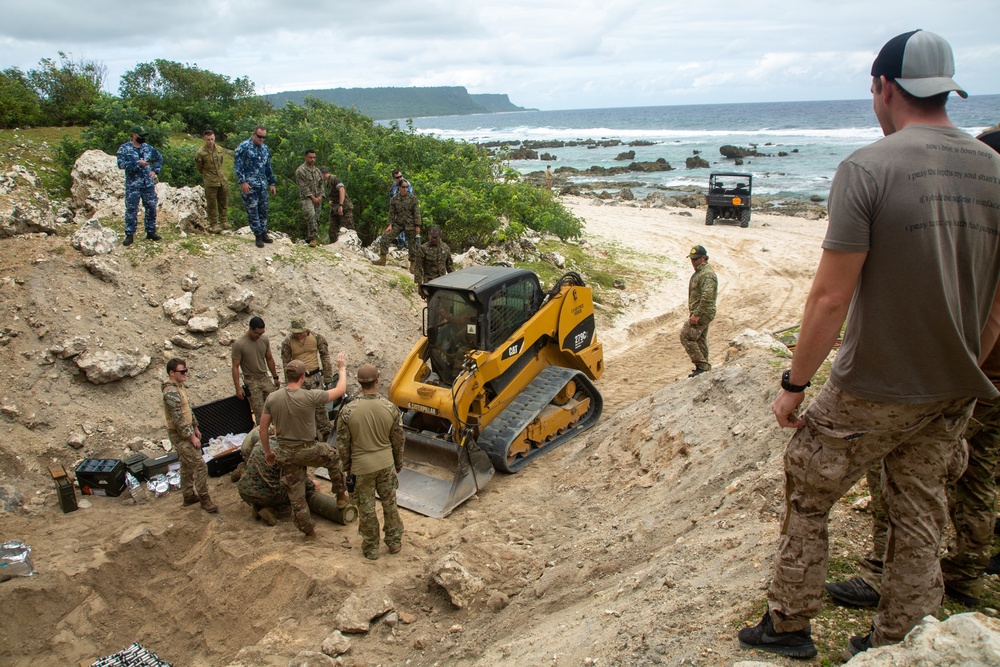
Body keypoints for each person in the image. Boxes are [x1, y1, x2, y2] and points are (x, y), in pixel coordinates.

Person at [738, 30, 1000, 660]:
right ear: (947, 90)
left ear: (884, 87)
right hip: (954, 386)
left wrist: (794, 385)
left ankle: (790, 623)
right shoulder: (995, 168)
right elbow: (997, 306)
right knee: (920, 508)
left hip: (874, 385)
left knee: (808, 489)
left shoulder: (867, 167)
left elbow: (830, 298)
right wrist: (970, 357)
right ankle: (902, 639)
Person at [826, 124, 1000, 611]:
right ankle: (964, 574)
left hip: (956, 377)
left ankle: (889, 576)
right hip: (974, 376)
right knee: (976, 478)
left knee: (908, 482)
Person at [259, 356, 350, 539]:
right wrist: (341, 367)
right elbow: (340, 390)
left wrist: (268, 452)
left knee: (296, 494)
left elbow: (262, 429)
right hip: (308, 450)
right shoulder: (309, 396)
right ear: (302, 376)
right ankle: (340, 495)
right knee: (333, 457)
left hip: (285, 453)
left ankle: (308, 531)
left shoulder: (272, 398)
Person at [337, 364, 405, 560]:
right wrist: (398, 462)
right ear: (377, 381)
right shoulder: (390, 408)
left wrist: (347, 468)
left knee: (366, 509)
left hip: (361, 467)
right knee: (390, 504)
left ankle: (371, 548)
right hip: (386, 464)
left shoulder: (348, 411)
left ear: (359, 383)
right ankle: (394, 542)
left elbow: (343, 444)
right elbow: (398, 440)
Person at [162, 358, 217, 513]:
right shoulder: (171, 392)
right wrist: (191, 436)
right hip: (180, 435)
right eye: (182, 371)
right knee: (200, 465)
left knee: (186, 465)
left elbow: (188, 410)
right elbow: (178, 418)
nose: (185, 374)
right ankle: (204, 499)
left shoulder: (178, 387)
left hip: (186, 432)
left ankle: (188, 495)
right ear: (172, 373)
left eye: (186, 371)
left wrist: (195, 426)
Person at [279, 317, 336, 441]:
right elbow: (286, 365)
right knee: (302, 409)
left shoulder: (316, 338)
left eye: (300, 332)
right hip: (299, 380)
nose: (298, 335)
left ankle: (326, 437)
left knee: (321, 409)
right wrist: (289, 384)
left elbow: (325, 358)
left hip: (315, 378)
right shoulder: (288, 342)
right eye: (296, 332)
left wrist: (328, 379)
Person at [115, 125, 163, 247]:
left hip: (147, 183)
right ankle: (130, 234)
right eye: (140, 135)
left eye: (144, 136)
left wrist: (155, 171)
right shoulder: (125, 148)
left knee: (151, 207)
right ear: (134, 135)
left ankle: (150, 231)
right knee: (131, 209)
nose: (142, 138)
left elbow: (159, 158)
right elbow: (120, 164)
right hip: (133, 185)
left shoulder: (148, 148)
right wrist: (137, 163)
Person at [234, 125, 277, 248]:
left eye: (264, 137)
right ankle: (257, 234)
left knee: (263, 209)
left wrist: (272, 183)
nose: (261, 139)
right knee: (253, 210)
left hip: (262, 184)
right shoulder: (244, 147)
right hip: (249, 185)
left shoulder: (265, 148)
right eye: (259, 137)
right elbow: (238, 166)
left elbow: (268, 167)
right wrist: (242, 182)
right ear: (254, 134)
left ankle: (263, 232)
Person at [231, 316, 280, 424]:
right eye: (257, 333)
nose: (259, 336)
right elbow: (235, 367)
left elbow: (269, 358)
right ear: (251, 329)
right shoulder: (239, 344)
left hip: (265, 377)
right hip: (252, 381)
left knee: (275, 407)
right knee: (260, 413)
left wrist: (275, 377)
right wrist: (238, 387)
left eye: (261, 333)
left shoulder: (264, 340)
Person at [680, 245, 717, 378]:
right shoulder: (701, 272)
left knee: (686, 335)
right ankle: (703, 368)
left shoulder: (707, 275)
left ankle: (702, 366)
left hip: (703, 313)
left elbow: (707, 297)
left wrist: (697, 314)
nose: (693, 262)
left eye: (695, 260)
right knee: (700, 339)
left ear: (703, 258)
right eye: (692, 259)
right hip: (701, 311)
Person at [374, 179, 421, 267]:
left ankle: (413, 264)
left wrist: (417, 225)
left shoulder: (412, 198)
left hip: (410, 223)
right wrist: (389, 224)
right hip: (398, 223)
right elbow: (391, 213)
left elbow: (416, 212)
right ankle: (382, 259)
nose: (405, 189)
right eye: (403, 187)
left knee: (413, 244)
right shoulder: (395, 199)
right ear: (399, 187)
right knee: (385, 237)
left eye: (406, 187)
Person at [194, 128, 228, 233]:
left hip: (221, 179)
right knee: (212, 203)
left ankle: (224, 221)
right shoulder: (200, 153)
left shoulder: (219, 149)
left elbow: (220, 162)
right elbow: (199, 167)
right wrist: (207, 175)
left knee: (223, 201)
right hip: (210, 181)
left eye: (212, 139)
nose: (211, 141)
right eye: (208, 139)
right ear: (204, 139)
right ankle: (214, 224)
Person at [295, 149, 324, 246]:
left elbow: (321, 184)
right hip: (307, 198)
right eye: (310, 157)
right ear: (305, 157)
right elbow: (303, 187)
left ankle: (312, 236)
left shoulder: (317, 171)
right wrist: (313, 197)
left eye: (314, 157)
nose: (312, 159)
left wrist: (320, 196)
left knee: (316, 218)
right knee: (310, 215)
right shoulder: (300, 170)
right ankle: (313, 238)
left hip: (317, 197)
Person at [322, 168, 354, 243]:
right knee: (332, 230)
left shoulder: (334, 179)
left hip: (344, 208)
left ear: (322, 174)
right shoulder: (328, 182)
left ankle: (352, 247)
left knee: (348, 229)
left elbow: (342, 190)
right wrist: (331, 201)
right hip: (335, 208)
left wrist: (341, 205)